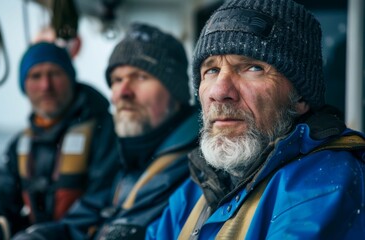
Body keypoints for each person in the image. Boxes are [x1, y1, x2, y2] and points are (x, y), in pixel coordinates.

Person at [147, 0, 365, 239]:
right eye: (211, 70)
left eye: (252, 68)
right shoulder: (196, 189)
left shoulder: (323, 182)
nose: (219, 92)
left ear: (300, 96)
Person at [12, 23, 200, 240]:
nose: (123, 92)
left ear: (175, 93)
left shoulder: (198, 168)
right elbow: (83, 222)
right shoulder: (129, 159)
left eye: (140, 77)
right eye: (117, 80)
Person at [0, 42, 120, 239]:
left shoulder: (106, 132)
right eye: (36, 76)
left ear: (71, 78)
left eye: (55, 73)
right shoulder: (21, 143)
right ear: (24, 85)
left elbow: (103, 203)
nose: (45, 86)